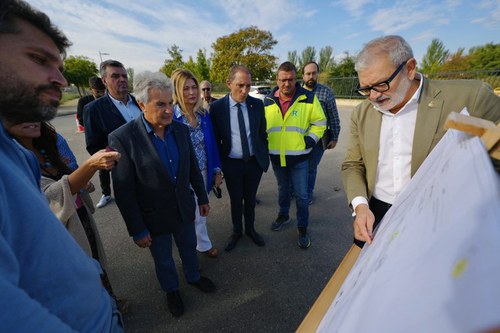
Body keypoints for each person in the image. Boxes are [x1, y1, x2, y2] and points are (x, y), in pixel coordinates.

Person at [0, 0, 123, 331]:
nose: (59, 78)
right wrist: (92, 165)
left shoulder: (23, 152)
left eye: (59, 65)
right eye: (38, 59)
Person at [342, 35, 500, 248]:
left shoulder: (470, 98)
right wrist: (361, 207)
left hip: (443, 216)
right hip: (376, 213)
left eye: (380, 85)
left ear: (409, 68)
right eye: (365, 89)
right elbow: (353, 164)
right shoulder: (361, 113)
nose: (372, 96)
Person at [109, 71, 216, 318]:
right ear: (142, 104)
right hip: (153, 217)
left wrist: (202, 197)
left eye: (170, 103)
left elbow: (191, 168)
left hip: (183, 208)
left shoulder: (180, 129)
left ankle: (193, 276)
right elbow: (124, 191)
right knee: (164, 259)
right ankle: (171, 290)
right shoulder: (123, 138)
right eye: (160, 105)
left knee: (189, 247)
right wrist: (137, 228)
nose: (168, 110)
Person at [3, 120, 129, 313]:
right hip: (55, 231)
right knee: (77, 274)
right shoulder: (9, 158)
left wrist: (82, 181)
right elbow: (50, 193)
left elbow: (68, 173)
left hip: (79, 216)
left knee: (95, 260)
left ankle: (109, 304)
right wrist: (90, 166)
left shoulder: (48, 141)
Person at [263, 61, 326, 249]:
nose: (286, 84)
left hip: (300, 157)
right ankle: (283, 215)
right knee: (283, 190)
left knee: (302, 196)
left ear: (296, 79)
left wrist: (311, 140)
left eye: (290, 80)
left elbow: (320, 123)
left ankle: (302, 228)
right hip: (277, 157)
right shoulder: (267, 100)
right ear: (277, 79)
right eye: (283, 80)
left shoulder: (308, 97)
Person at [210, 65, 270, 252]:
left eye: (248, 85)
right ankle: (237, 232)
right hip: (232, 164)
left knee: (250, 199)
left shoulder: (257, 105)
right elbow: (215, 139)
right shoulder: (217, 108)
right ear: (229, 84)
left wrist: (262, 154)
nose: (244, 91)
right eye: (240, 85)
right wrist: (219, 167)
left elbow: (261, 133)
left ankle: (250, 229)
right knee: (236, 200)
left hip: (253, 163)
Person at [171, 68, 222, 258]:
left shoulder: (203, 115)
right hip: (182, 177)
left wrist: (217, 170)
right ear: (177, 91)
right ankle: (190, 254)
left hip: (202, 172)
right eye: (186, 88)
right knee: (186, 216)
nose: (192, 92)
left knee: (201, 211)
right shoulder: (171, 117)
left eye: (194, 87)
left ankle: (202, 244)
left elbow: (212, 145)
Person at [83, 59, 141, 208]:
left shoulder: (140, 103)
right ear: (104, 80)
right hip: (126, 176)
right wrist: (118, 164)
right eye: (115, 76)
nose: (122, 79)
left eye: (124, 76)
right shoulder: (94, 109)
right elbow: (94, 146)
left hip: (153, 169)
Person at [301, 61, 341, 204]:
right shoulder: (296, 92)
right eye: (308, 73)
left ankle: (308, 193)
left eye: (314, 73)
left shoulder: (326, 92)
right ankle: (297, 190)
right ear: (303, 76)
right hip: (298, 138)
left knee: (311, 167)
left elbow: (334, 116)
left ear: (317, 74)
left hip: (319, 139)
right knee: (297, 166)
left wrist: (335, 137)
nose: (311, 76)